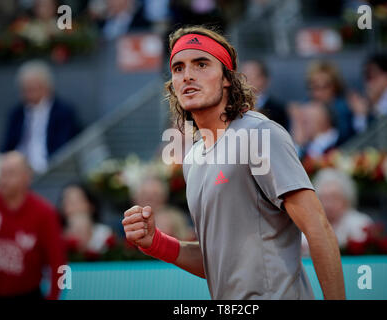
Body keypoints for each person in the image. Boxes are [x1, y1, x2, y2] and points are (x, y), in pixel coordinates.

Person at [122, 26, 345, 300]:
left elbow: (318, 228)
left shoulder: (260, 134)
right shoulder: (191, 159)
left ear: (227, 78)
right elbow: (219, 264)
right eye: (178, 68)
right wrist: (157, 242)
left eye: (201, 64)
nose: (187, 75)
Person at [0, 151, 65, 299]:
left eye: (10, 174)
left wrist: (55, 296)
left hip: (27, 294)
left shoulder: (44, 213)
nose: (4, 180)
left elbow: (60, 263)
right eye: (2, 173)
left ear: (27, 177)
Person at [1, 60, 80, 173]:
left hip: (50, 167)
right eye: (25, 90)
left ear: (47, 87)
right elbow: (7, 146)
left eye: (33, 89)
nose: (28, 94)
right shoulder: (16, 113)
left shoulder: (63, 112)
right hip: (18, 167)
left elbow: (64, 147)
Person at [302, 168, 373, 255]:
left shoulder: (360, 223)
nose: (328, 204)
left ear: (346, 199)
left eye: (334, 197)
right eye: (324, 198)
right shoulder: (309, 225)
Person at [348, 52, 387, 133]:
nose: (368, 83)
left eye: (372, 76)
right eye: (366, 77)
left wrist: (367, 114)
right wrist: (361, 115)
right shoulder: (367, 103)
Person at [59, 182, 115, 256]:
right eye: (68, 202)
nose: (73, 207)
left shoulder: (105, 234)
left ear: (91, 205)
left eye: (77, 201)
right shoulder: (58, 235)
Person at [240, 59, 290, 131]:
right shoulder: (231, 108)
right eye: (242, 77)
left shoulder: (278, 111)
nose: (245, 81)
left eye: (251, 76)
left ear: (264, 79)